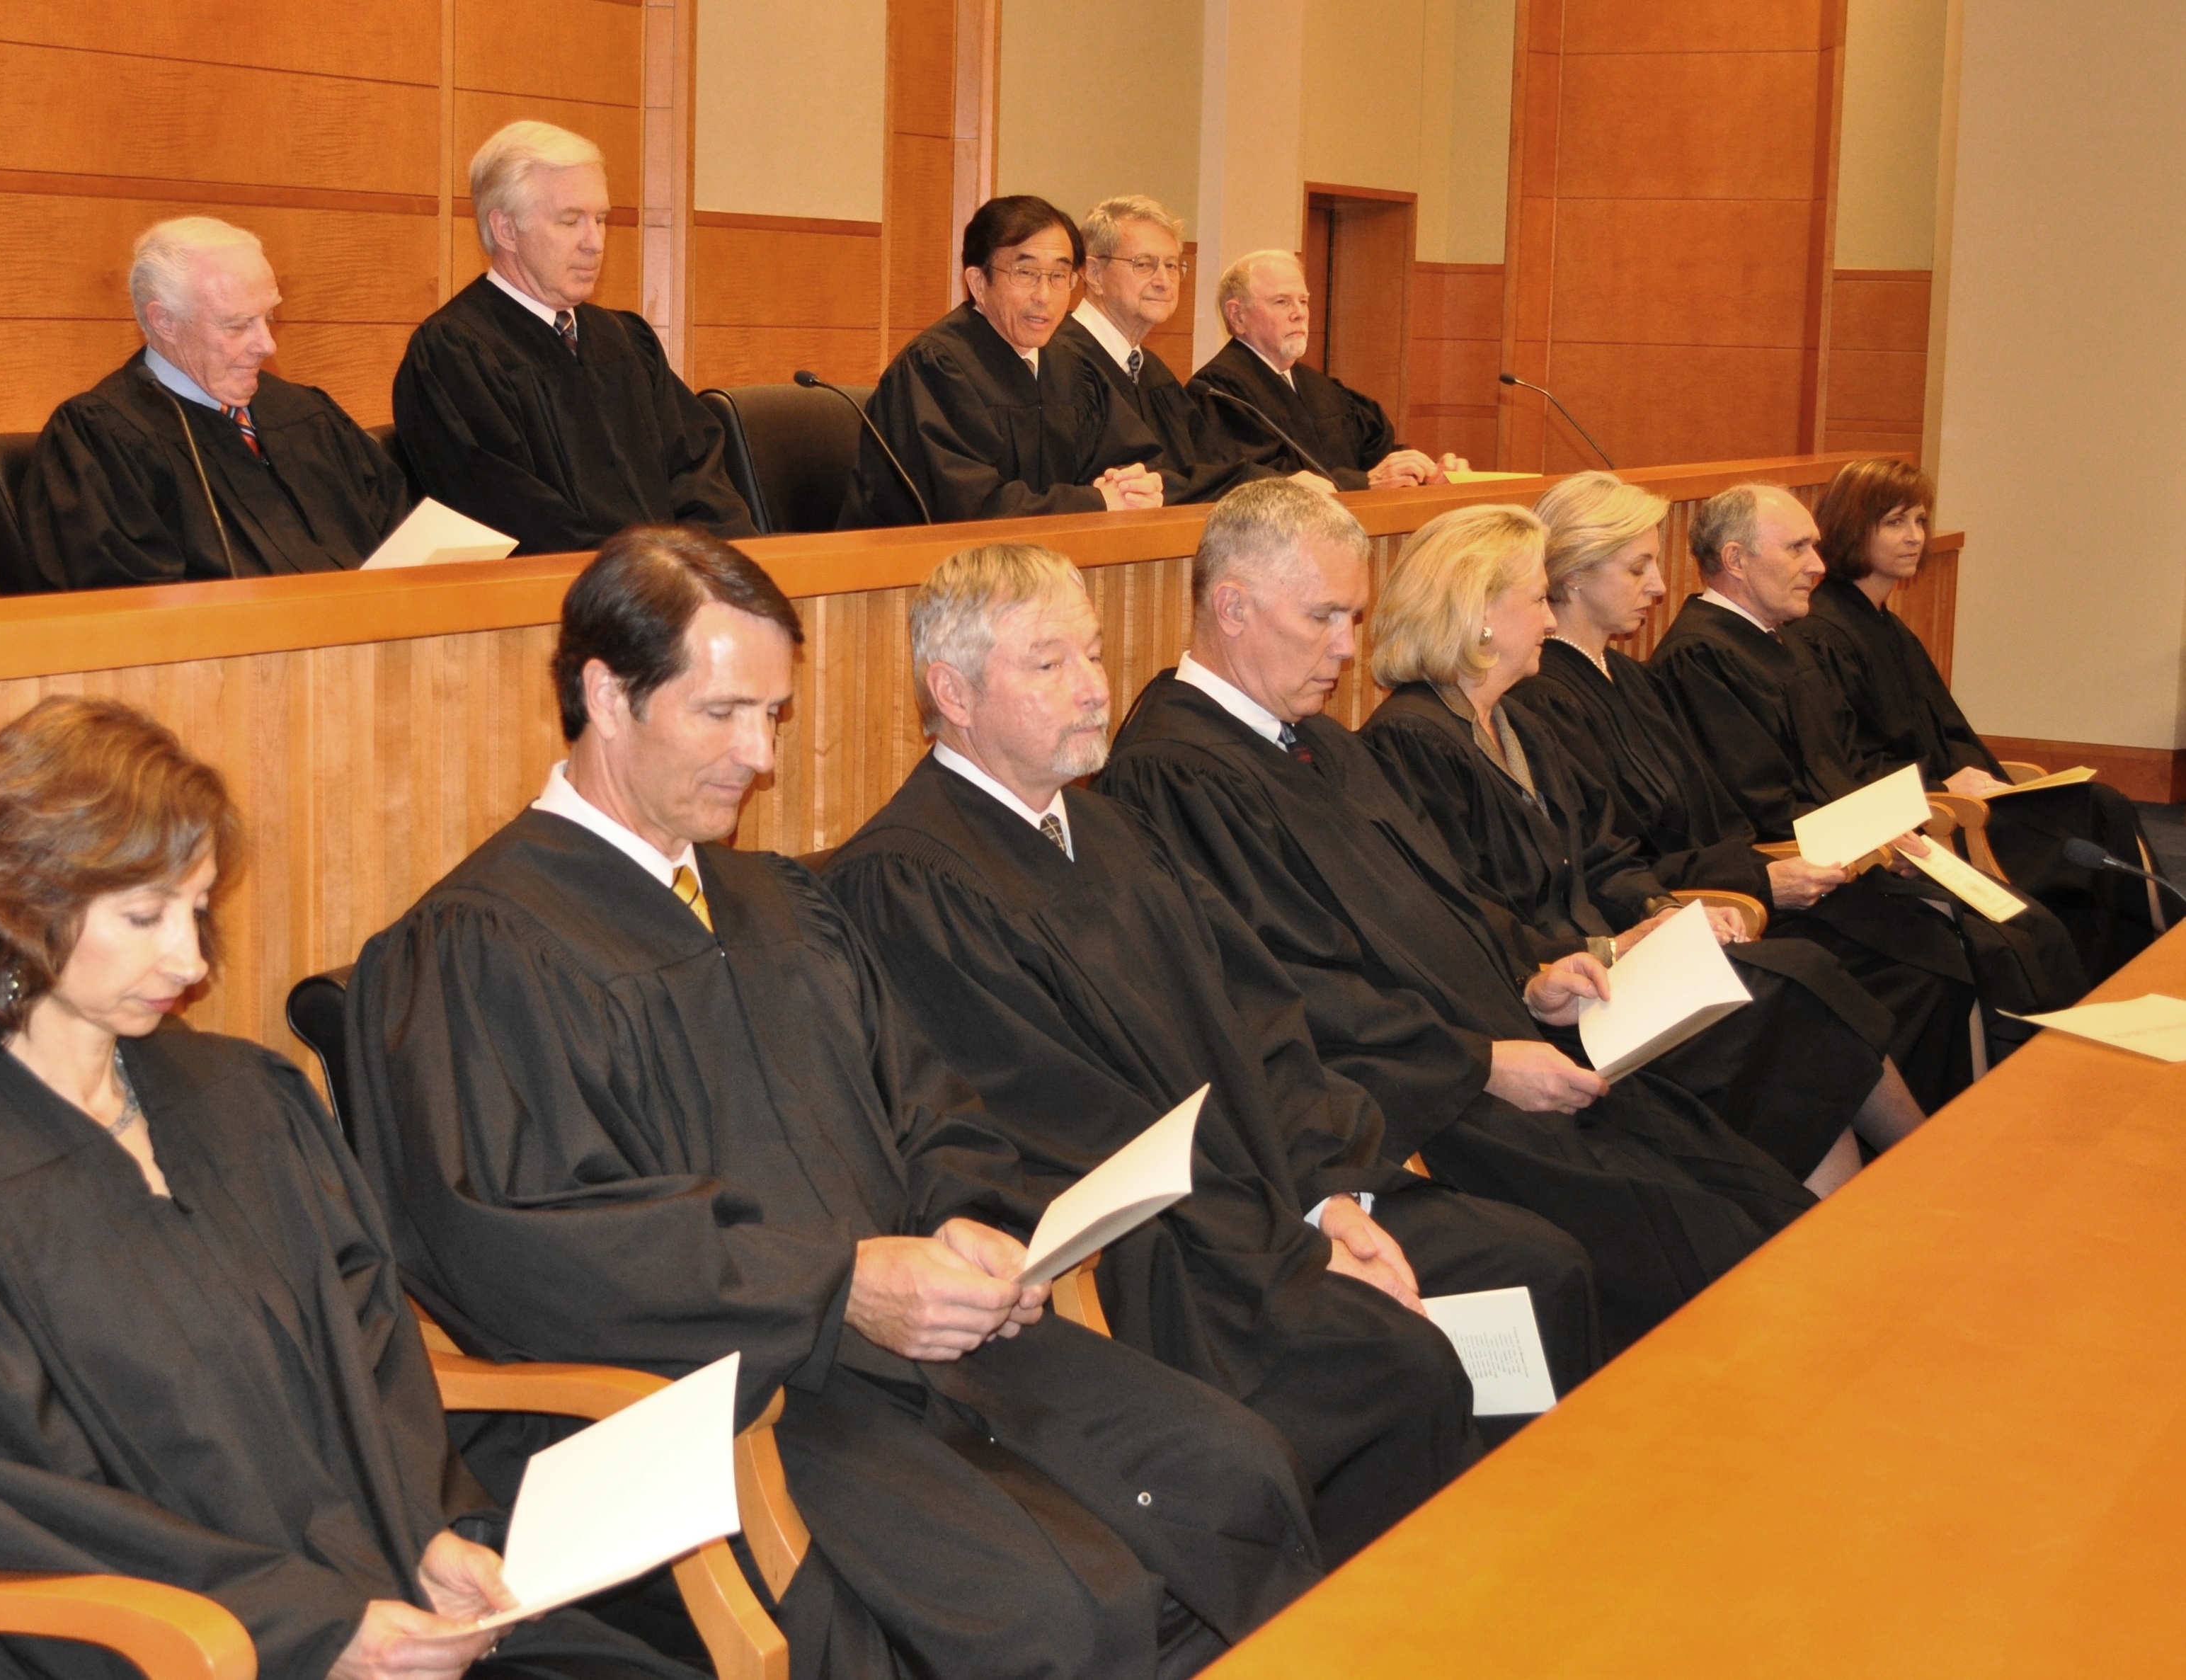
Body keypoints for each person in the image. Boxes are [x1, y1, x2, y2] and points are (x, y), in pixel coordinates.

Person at [342, 526, 1322, 1680]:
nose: (758, 755)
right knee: (1047, 1608)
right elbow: (530, 1254)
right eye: (722, 713)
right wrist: (837, 1287)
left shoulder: (776, 902)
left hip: (922, 1352)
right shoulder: (480, 948)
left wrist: (965, 1219)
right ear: (605, 696)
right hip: (715, 1408)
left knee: (1235, 1472)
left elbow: (927, 1105)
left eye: (773, 714)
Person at [0, 697, 697, 1680]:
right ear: (19, 907)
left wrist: (428, 1535)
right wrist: (315, 1630)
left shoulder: (244, 1101)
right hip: (191, 1652)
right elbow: (28, 1518)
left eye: (195, 910)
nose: (191, 960)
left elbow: (370, 1353)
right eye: (144, 917)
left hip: (391, 1609)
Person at [825, 544, 1602, 1557]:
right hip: (1157, 1258)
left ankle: (1528, 1564)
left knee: (1538, 1264)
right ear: (952, 693)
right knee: (1399, 1366)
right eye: (1049, 664)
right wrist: (1294, 1242)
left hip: (1265, 1194)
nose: (1093, 687)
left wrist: (1328, 1194)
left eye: (1093, 653)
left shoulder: (1110, 830)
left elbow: (1260, 1020)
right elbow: (1065, 1123)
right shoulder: (909, 881)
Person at [1096, 480, 1817, 1353]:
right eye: (1323, 618)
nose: (1346, 648)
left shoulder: (1317, 741)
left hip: (1506, 1044)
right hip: (1418, 1100)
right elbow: (1285, 987)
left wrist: (1533, 974)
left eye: (1353, 618)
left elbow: (1447, 898)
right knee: (1693, 1248)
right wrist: (1478, 1064)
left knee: (1751, 1192)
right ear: (1233, 607)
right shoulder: (1173, 772)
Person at [1356, 504, 1925, 1192]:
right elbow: (1463, 920)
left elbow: (1601, 855)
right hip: (1549, 1003)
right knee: (1788, 1002)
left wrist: (1662, 912)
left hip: (1610, 973)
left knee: (1799, 986)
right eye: (1537, 600)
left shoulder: (1516, 722)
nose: (1549, 621)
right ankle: (1911, 1184)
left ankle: (1896, 1194)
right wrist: (1608, 948)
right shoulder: (1412, 740)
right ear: (1477, 613)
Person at [1518, 470, 1991, 1111]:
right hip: (1667, 917)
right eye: (1638, 568)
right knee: (1869, 974)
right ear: (1573, 575)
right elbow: (1613, 859)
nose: (1659, 586)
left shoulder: (1627, 678)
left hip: (1726, 890)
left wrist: (1777, 868)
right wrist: (1762, 879)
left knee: (1927, 944)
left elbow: (1715, 817)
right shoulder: (1545, 699)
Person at [1647, 484, 2090, 1024]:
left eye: (1814, 546)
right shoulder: (1701, 656)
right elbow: (1761, 804)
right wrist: (1870, 840)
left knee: (2027, 924)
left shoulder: (1781, 639)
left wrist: (1890, 825)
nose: (1817, 564)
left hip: (1862, 855)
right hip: (1810, 875)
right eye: (1797, 548)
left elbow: (1844, 762)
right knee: (1979, 955)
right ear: (1735, 560)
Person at [1785, 458, 2157, 981]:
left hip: (1961, 797)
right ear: (1851, 528)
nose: (1915, 536)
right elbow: (1846, 762)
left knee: (2098, 806)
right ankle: (2125, 973)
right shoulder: (1822, 632)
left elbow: (1947, 731)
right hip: (1931, 816)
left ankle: (2131, 968)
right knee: (2096, 812)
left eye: (1920, 520)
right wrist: (1941, 786)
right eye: (1895, 522)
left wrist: (1983, 777)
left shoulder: (1886, 626)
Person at [393, 121, 755, 554]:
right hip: (567, 589)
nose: (595, 243)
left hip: (663, 582)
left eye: (600, 219)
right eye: (571, 221)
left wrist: (723, 564)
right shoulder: (454, 355)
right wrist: (636, 574)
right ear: (506, 230)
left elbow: (698, 475)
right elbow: (511, 518)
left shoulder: (625, 341)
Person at [20, 217, 412, 589]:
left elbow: (405, 544)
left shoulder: (307, 415)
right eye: (238, 325)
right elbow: (129, 607)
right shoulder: (100, 440)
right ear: (164, 322)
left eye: (268, 317)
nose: (267, 345)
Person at [841, 195, 1165, 527]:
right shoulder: (934, 368)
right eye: (1025, 273)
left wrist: (1135, 487)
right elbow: (970, 507)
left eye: (1059, 275)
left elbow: (1135, 459)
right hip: (930, 559)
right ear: (978, 283)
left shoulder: (1073, 367)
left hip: (1051, 556)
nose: (1044, 296)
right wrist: (1095, 503)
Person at [1048, 197, 1324, 503]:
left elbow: (1207, 467)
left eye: (1171, 265)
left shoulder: (1152, 370)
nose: (1164, 281)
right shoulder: (1061, 363)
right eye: (1144, 264)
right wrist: (1266, 484)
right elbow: (1128, 482)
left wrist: (1274, 484)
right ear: (1094, 274)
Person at [1186, 251, 1460, 490]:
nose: (1300, 313)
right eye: (1282, 302)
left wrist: (1424, 473)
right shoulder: (1219, 391)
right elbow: (1261, 482)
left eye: (1303, 301)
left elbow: (1378, 455)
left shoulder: (1320, 387)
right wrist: (1361, 483)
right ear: (1237, 316)